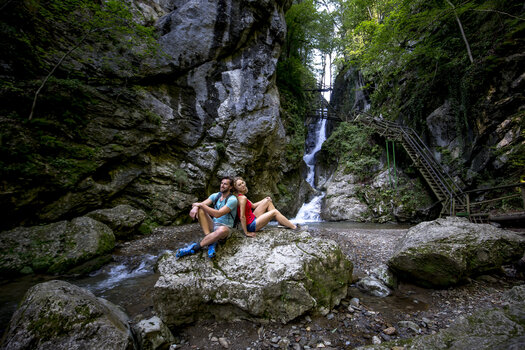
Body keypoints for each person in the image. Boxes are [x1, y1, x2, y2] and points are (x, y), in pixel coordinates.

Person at [176, 176, 238, 259]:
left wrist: (200, 204)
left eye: (225, 184)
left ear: (230, 187)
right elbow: (199, 204)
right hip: (213, 225)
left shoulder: (232, 200)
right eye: (222, 183)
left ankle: (195, 247)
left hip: (225, 228)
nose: (222, 185)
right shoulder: (216, 196)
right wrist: (195, 207)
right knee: (201, 210)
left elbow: (218, 214)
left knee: (222, 230)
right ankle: (211, 242)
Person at [233, 176, 303, 237]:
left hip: (252, 218)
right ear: (236, 188)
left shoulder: (242, 196)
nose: (242, 185)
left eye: (242, 183)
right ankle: (294, 228)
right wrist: (246, 232)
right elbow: (242, 216)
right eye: (239, 185)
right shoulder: (242, 198)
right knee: (274, 212)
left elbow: (253, 206)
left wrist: (265, 199)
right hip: (251, 226)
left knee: (268, 201)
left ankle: (281, 223)